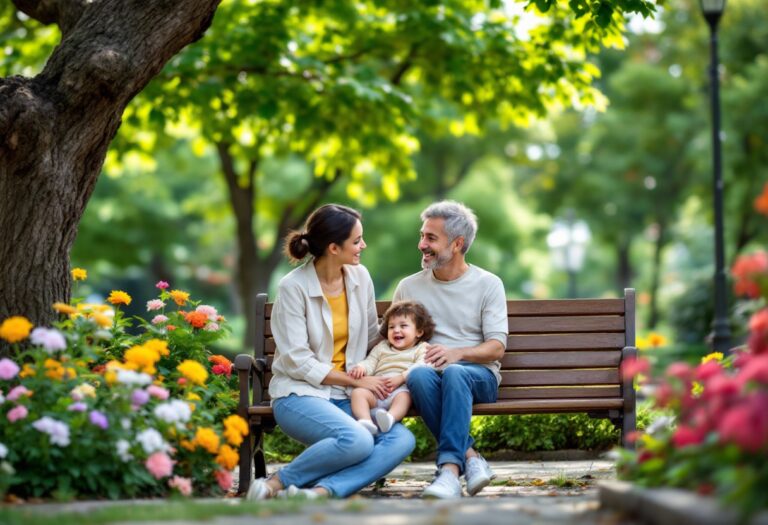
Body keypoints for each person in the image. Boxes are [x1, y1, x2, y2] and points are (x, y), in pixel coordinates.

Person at [247, 204, 415, 500]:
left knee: (401, 439)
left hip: (348, 397)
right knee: (358, 440)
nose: (363, 245)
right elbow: (297, 362)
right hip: (299, 394)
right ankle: (276, 483)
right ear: (334, 247)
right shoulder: (293, 288)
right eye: (357, 241)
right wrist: (355, 382)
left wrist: (410, 341)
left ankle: (321, 491)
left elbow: (371, 337)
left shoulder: (360, 277)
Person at [393, 200, 507, 499]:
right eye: (422, 236)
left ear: (457, 244)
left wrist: (458, 353)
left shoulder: (488, 284)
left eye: (431, 238)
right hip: (431, 378)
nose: (421, 244)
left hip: (478, 377)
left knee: (455, 373)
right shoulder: (408, 286)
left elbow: (496, 348)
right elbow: (393, 337)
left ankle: (448, 471)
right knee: (417, 376)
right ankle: (469, 458)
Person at [348, 301, 436, 435]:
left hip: (400, 389)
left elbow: (423, 365)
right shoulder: (382, 347)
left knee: (405, 397)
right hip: (377, 390)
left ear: (419, 332)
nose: (396, 330)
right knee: (358, 393)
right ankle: (366, 421)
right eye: (391, 327)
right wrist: (361, 368)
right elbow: (371, 362)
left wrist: (401, 377)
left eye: (403, 326)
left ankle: (390, 418)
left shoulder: (422, 348)